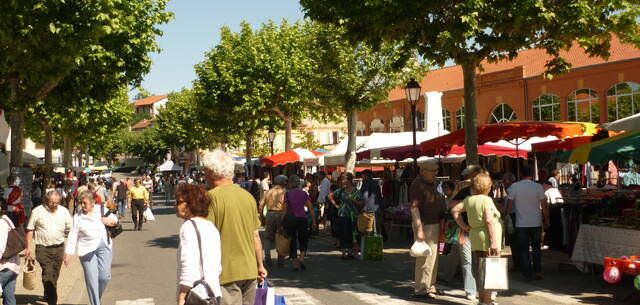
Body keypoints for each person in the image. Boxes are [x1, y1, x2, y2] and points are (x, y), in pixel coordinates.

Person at [202, 150, 267, 305]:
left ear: (212, 172)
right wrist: (260, 265)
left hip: (225, 271)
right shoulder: (247, 197)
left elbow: (205, 238)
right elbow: (255, 236)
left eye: (204, 171)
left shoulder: (210, 199)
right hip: (249, 269)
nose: (204, 175)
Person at [451, 172, 502, 305]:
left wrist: (464, 226)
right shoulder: (487, 200)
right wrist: (494, 242)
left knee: (480, 270)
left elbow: (454, 210)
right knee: (491, 269)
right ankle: (488, 300)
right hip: (487, 238)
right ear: (488, 186)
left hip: (475, 236)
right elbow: (489, 221)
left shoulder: (469, 199)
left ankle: (484, 300)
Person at [64, 191, 118, 305]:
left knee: (105, 277)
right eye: (80, 203)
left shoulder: (101, 210)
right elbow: (73, 235)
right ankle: (95, 303)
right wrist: (68, 253)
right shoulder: (77, 217)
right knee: (92, 280)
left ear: (93, 203)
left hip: (104, 246)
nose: (82, 205)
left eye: (85, 203)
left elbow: (115, 220)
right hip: (86, 250)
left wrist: (109, 221)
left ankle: (96, 298)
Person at [175, 184, 222, 305]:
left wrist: (182, 296)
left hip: (196, 294)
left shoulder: (189, 226)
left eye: (179, 202)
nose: (176, 206)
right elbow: (217, 264)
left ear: (189, 205)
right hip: (213, 291)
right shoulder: (210, 226)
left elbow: (188, 262)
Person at [25, 190, 73, 305]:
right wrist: (28, 247)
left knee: (54, 275)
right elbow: (30, 229)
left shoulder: (64, 211)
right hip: (43, 249)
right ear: (46, 201)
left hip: (59, 248)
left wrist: (68, 252)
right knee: (48, 273)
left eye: (56, 203)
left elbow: (72, 230)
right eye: (52, 203)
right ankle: (52, 301)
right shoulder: (37, 211)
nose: (54, 205)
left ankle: (48, 292)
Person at [506, 166, 550, 281]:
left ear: (521, 174)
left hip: (521, 223)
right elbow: (544, 204)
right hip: (536, 222)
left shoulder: (515, 186)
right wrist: (547, 219)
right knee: (536, 248)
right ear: (531, 174)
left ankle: (527, 273)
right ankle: (538, 271)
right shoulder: (538, 187)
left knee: (524, 249)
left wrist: (507, 215)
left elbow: (510, 204)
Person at [410, 162, 445, 300]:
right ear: (423, 171)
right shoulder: (417, 185)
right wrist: (419, 229)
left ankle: (430, 285)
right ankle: (422, 288)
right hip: (425, 225)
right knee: (425, 258)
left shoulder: (432, 184)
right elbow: (414, 208)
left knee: (433, 258)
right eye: (432, 171)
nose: (435, 173)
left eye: (436, 171)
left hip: (433, 224)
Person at [448, 165, 483, 300]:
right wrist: (463, 225)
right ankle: (470, 290)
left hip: (481, 232)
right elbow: (451, 205)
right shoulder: (465, 192)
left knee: (480, 261)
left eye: (476, 175)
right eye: (473, 176)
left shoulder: (485, 192)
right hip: (467, 231)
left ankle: (482, 289)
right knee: (467, 261)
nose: (474, 178)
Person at [327, 173, 362, 260]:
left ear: (349, 180)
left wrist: (353, 199)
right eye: (342, 179)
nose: (342, 181)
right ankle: (343, 253)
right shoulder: (341, 190)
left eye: (344, 179)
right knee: (343, 233)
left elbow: (361, 203)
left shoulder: (356, 192)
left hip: (353, 215)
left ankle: (350, 252)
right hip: (342, 214)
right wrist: (335, 204)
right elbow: (329, 196)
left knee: (352, 234)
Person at [284, 175, 316, 271]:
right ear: (299, 183)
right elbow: (310, 207)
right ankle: (301, 258)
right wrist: (314, 220)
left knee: (292, 240)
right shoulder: (303, 193)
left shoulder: (287, 194)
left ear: (290, 183)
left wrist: (282, 221)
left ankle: (295, 263)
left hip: (291, 218)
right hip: (302, 218)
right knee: (303, 239)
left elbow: (285, 209)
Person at [258, 175, 287, 267]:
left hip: (270, 214)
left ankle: (267, 257)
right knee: (281, 235)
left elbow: (261, 205)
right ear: (283, 183)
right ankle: (280, 259)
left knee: (268, 237)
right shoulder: (283, 192)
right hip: (280, 214)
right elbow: (286, 206)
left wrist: (261, 217)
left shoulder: (268, 192)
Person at [0, 199, 20, 305]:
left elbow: (0, 246)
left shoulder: (1, 223)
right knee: (9, 297)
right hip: (12, 265)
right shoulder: (7, 219)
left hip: (3, 266)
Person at [360, 169, 385, 238]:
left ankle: (371, 242)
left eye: (362, 175)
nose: (362, 177)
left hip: (369, 207)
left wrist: (363, 207)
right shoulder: (375, 182)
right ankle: (378, 241)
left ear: (365, 175)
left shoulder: (365, 183)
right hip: (377, 206)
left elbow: (365, 195)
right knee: (377, 226)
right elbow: (379, 195)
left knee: (369, 227)